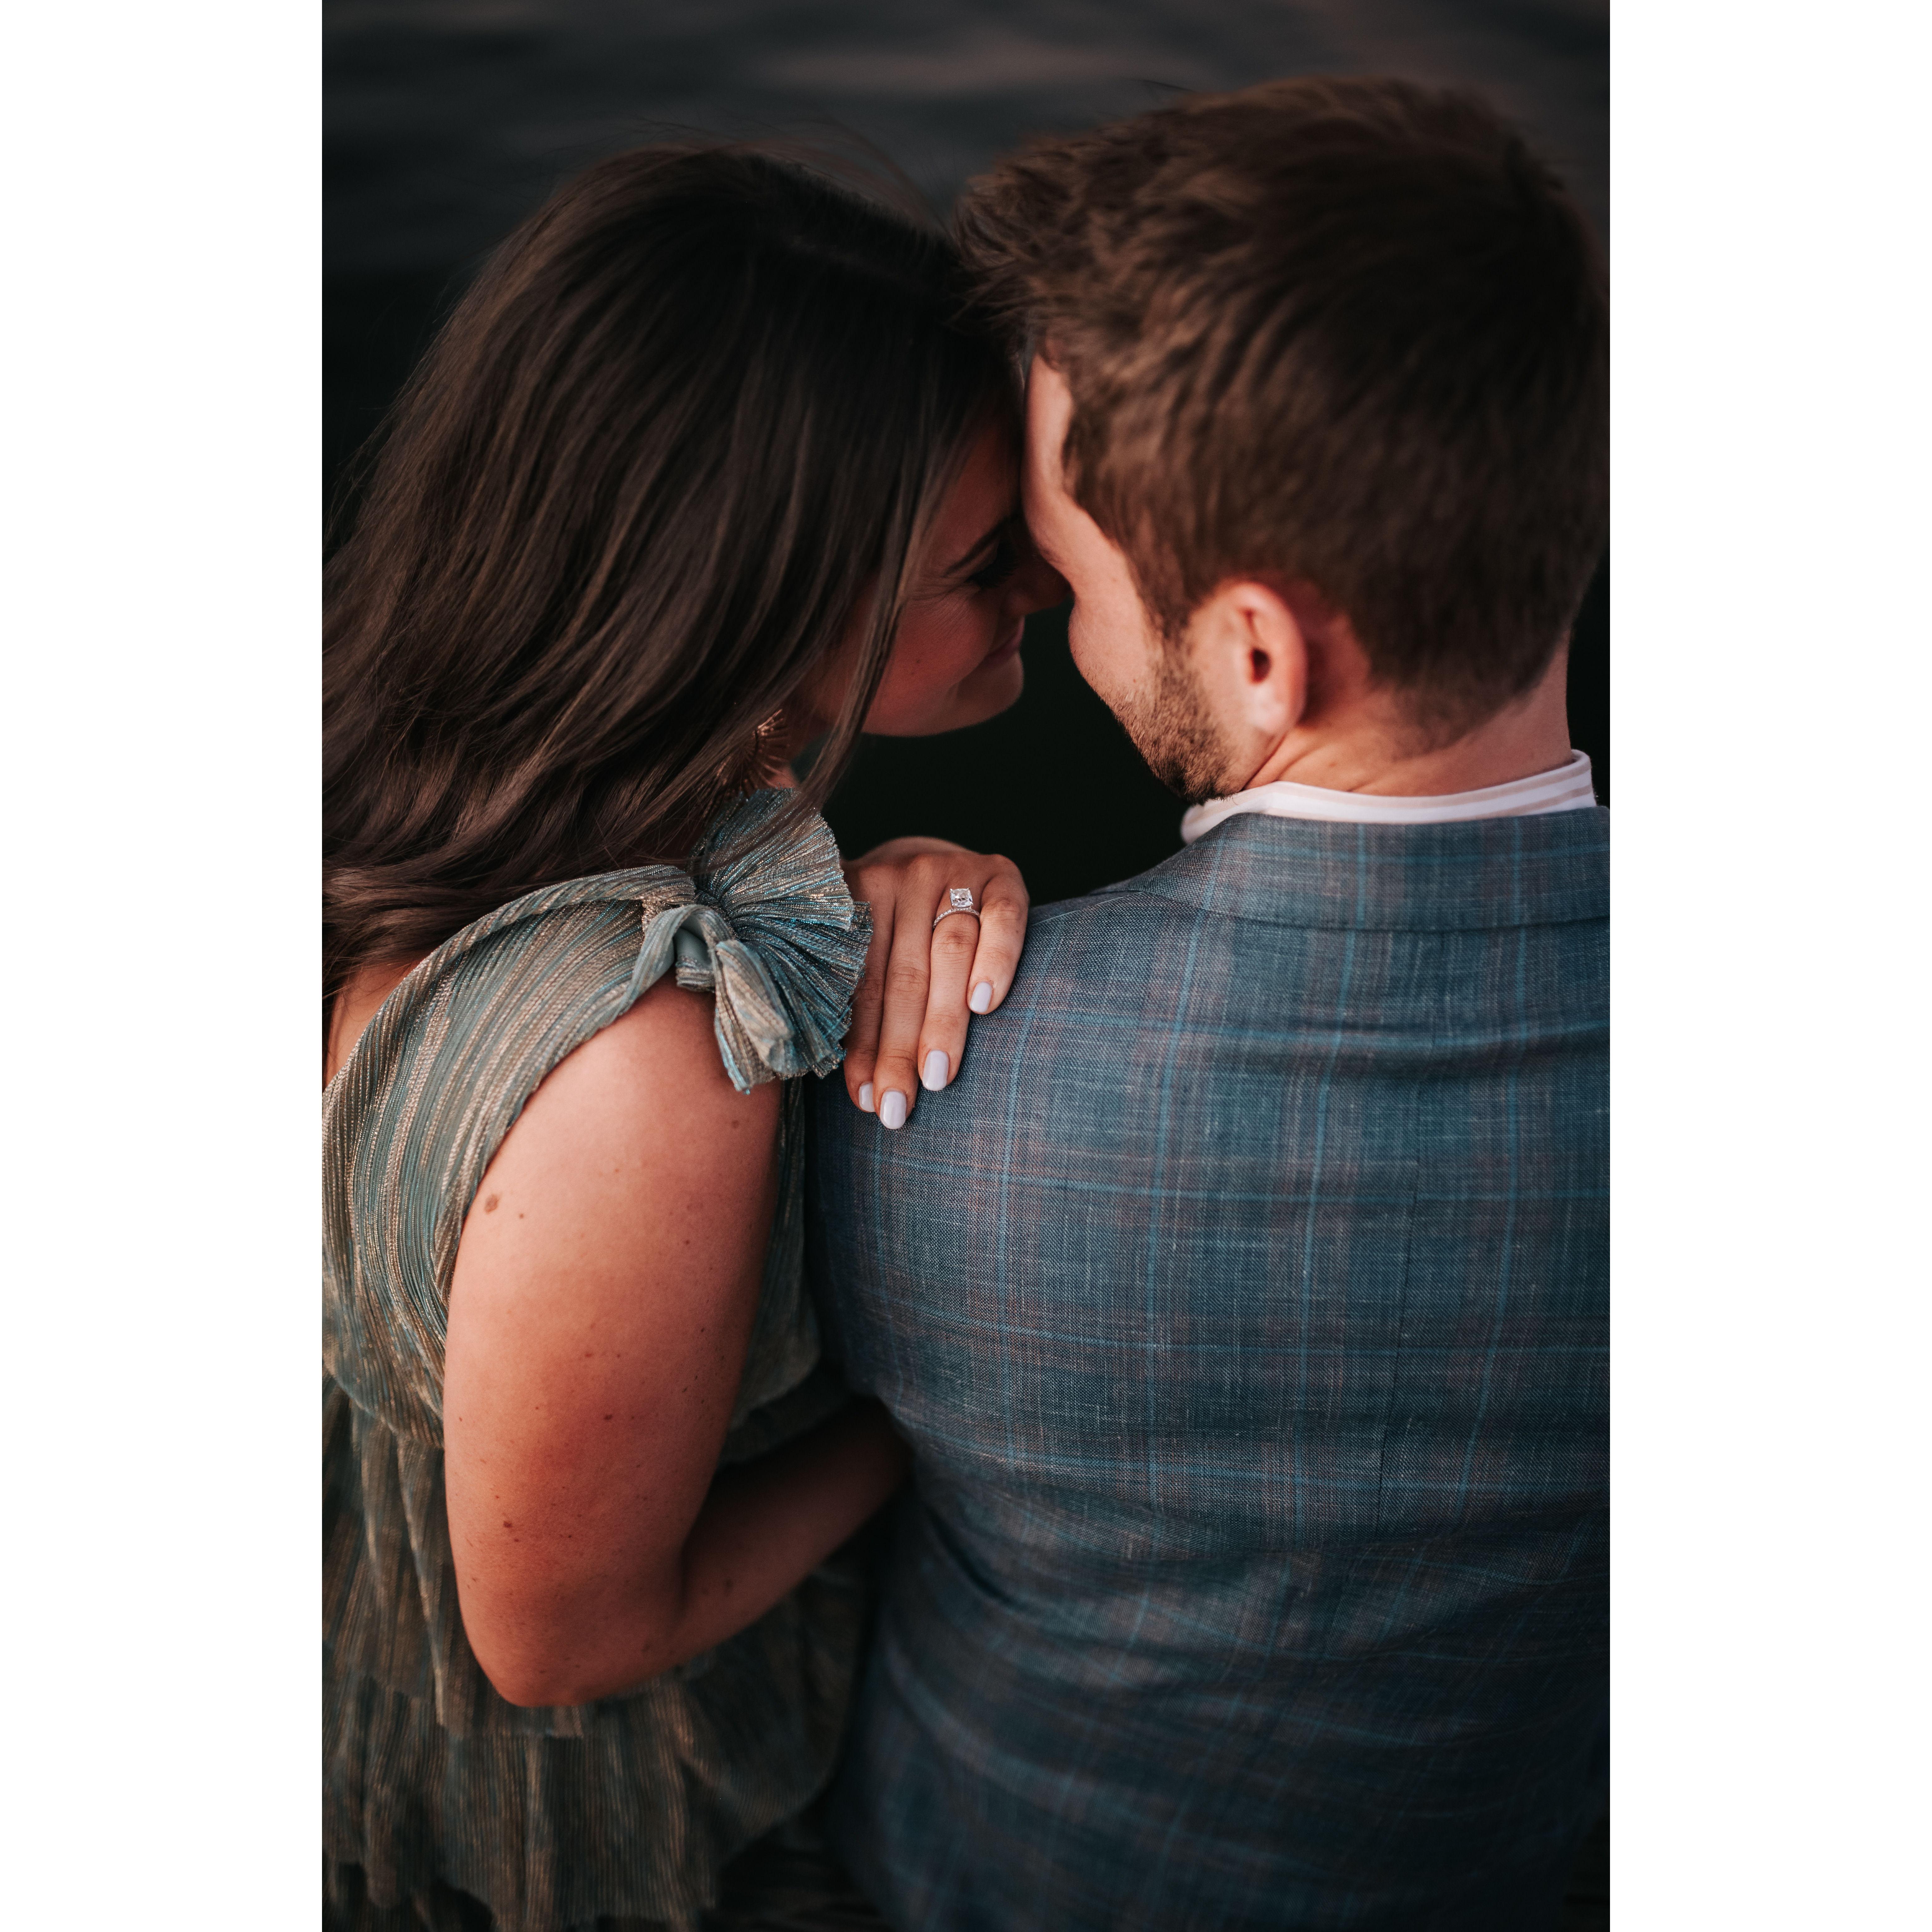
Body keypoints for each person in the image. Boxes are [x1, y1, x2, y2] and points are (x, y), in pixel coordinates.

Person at [808, 77, 1610, 1930]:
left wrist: (825, 924)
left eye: (1072, 570)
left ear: (1258, 652)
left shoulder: (932, 1092)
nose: (1046, 605)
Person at [324, 143, 1062, 1932]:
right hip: (614, 1860)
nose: (1042, 586)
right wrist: (925, 1426)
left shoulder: (393, 798)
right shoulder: (644, 1062)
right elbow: (565, 1639)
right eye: (984, 561)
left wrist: (857, 892)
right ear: (764, 598)